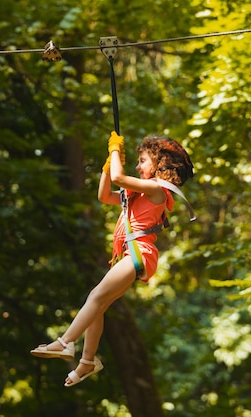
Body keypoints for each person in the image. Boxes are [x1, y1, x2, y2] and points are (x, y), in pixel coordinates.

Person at [30, 131, 194, 387]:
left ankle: (65, 342)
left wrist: (116, 151)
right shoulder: (138, 194)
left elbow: (120, 177)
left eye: (142, 160)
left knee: (95, 296)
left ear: (159, 164)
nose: (138, 166)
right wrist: (108, 165)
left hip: (140, 252)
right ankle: (87, 361)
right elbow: (105, 195)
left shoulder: (156, 189)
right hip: (129, 254)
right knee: (99, 304)